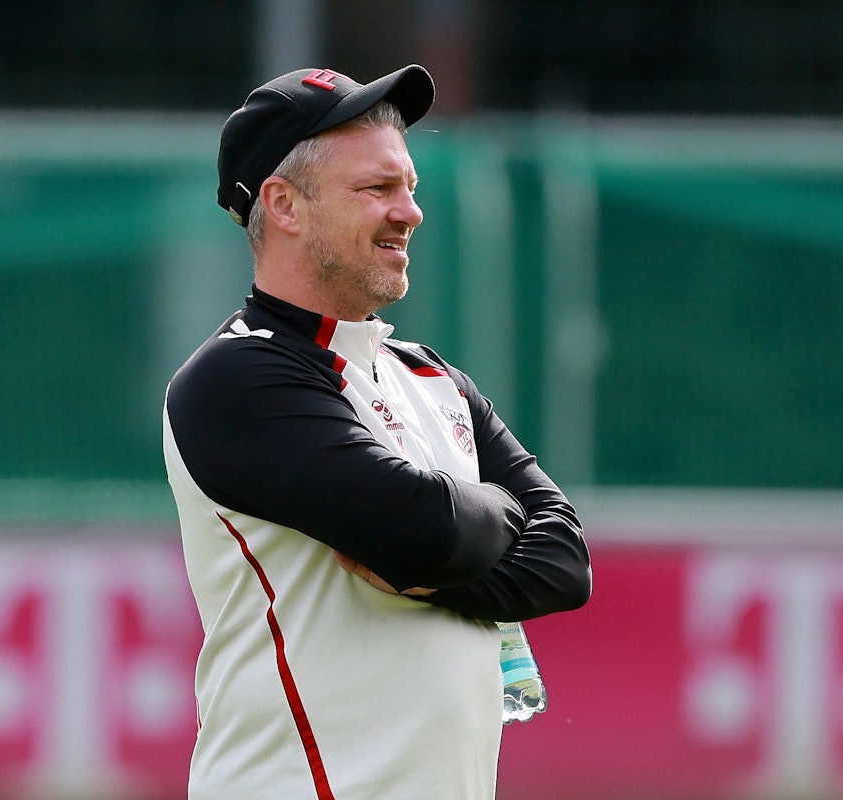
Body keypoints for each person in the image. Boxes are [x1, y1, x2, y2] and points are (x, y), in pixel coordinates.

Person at [162, 64, 592, 800]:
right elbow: (425, 532)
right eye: (375, 190)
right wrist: (483, 517)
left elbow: (566, 563)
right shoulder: (236, 379)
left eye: (409, 187)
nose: (409, 212)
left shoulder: (430, 376)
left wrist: (456, 544)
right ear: (284, 205)